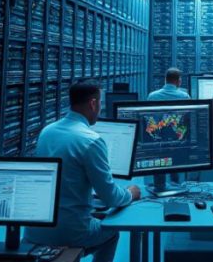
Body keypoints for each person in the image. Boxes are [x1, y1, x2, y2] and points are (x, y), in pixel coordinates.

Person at [25, 80, 142, 262]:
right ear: (93, 104)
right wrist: (130, 194)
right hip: (68, 233)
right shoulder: (91, 140)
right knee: (111, 232)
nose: (101, 108)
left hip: (35, 228)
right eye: (100, 103)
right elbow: (110, 197)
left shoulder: (46, 132)